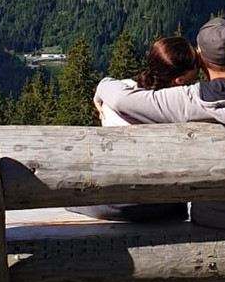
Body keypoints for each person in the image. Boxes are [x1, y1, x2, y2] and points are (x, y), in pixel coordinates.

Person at [94, 17, 225, 230]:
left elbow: (120, 100)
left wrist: (103, 85)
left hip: (206, 219)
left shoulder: (186, 100)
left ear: (200, 59)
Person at [70, 36, 200, 222]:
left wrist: (102, 86)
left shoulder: (118, 93)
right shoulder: (175, 107)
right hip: (156, 206)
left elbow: (109, 85)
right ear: (179, 80)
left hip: (109, 200)